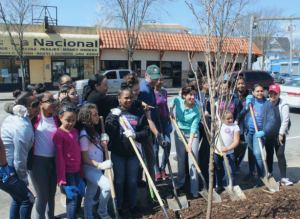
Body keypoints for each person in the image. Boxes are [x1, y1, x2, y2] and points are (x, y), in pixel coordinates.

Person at [105, 84, 149, 215]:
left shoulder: (139, 113)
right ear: (119, 98)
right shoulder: (113, 113)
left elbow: (146, 132)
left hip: (133, 153)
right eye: (125, 98)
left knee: (132, 181)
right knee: (118, 181)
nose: (129, 100)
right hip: (118, 153)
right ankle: (118, 207)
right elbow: (108, 132)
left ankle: (133, 205)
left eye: (131, 98)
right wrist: (113, 117)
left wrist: (136, 135)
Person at [1, 92, 40, 219]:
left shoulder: (17, 118)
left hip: (8, 168)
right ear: (23, 108)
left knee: (18, 198)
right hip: (8, 170)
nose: (38, 106)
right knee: (28, 199)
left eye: (38, 103)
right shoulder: (22, 126)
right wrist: (23, 179)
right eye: (34, 105)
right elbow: (19, 158)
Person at [77, 103, 112, 219]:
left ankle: (88, 216)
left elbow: (102, 148)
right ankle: (102, 210)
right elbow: (84, 157)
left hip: (96, 168)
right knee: (107, 187)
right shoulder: (84, 135)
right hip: (90, 168)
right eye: (95, 115)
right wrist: (101, 165)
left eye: (97, 114)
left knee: (90, 194)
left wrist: (104, 142)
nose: (98, 117)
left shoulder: (94, 131)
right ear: (87, 117)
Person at [83, 74, 149, 133]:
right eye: (105, 85)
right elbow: (116, 100)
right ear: (96, 86)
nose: (108, 87)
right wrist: (140, 103)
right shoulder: (97, 96)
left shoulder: (92, 94)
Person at [28, 91, 59, 219]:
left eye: (54, 100)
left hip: (53, 162)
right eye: (50, 101)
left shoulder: (57, 119)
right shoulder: (34, 119)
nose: (53, 103)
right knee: (42, 196)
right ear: (40, 104)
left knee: (51, 195)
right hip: (38, 163)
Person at [239, 84, 275, 188]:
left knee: (257, 154)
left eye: (261, 91)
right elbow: (241, 115)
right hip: (248, 131)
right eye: (257, 91)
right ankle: (251, 172)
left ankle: (261, 177)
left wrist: (264, 131)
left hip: (259, 133)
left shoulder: (268, 104)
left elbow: (271, 121)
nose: (260, 93)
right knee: (251, 152)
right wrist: (246, 106)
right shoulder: (251, 102)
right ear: (253, 92)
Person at [53, 102, 84, 219]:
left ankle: (75, 215)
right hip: (68, 173)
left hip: (77, 171)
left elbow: (78, 153)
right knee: (72, 198)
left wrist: (81, 173)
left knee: (78, 196)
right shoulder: (58, 134)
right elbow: (59, 158)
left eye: (73, 120)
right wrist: (61, 178)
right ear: (60, 118)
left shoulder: (75, 131)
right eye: (68, 120)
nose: (71, 123)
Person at [169, 85, 201, 199]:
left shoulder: (197, 108)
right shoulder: (178, 100)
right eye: (190, 94)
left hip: (192, 135)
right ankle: (180, 183)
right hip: (179, 132)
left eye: (194, 95)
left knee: (193, 161)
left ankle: (194, 189)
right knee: (181, 160)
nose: (193, 97)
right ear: (184, 95)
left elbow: (194, 127)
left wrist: (190, 144)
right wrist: (171, 111)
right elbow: (172, 102)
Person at [138, 65, 163, 182]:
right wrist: (157, 134)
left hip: (150, 126)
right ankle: (150, 187)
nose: (156, 81)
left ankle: (147, 184)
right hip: (146, 128)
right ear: (146, 75)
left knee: (149, 158)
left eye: (157, 78)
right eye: (154, 78)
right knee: (149, 159)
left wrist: (156, 109)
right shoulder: (144, 90)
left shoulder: (150, 87)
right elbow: (146, 116)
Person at [265, 84, 293, 186]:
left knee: (280, 154)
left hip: (279, 134)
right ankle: (270, 173)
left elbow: (285, 120)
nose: (273, 95)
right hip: (268, 135)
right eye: (271, 93)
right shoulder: (266, 103)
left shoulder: (283, 104)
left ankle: (283, 178)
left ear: (279, 94)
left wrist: (281, 134)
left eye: (275, 93)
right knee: (269, 154)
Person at [214, 110, 240, 192]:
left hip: (229, 153)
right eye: (228, 119)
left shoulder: (235, 127)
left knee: (230, 171)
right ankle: (219, 185)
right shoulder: (219, 125)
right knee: (218, 169)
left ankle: (230, 186)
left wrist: (227, 148)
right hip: (217, 152)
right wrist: (215, 124)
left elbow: (236, 141)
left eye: (231, 118)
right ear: (222, 118)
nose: (230, 120)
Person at [154, 76, 171, 180]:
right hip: (155, 123)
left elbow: (166, 106)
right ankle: (157, 171)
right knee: (155, 149)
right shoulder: (152, 93)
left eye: (162, 79)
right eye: (159, 79)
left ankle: (163, 168)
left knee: (167, 145)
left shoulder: (164, 92)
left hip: (164, 121)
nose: (161, 81)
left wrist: (169, 118)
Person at [233, 76, 251, 174]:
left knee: (243, 144)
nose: (241, 85)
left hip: (246, 123)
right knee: (236, 144)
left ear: (245, 84)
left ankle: (239, 164)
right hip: (235, 123)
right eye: (239, 83)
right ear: (236, 84)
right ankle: (235, 163)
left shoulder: (249, 94)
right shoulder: (234, 94)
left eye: (242, 83)